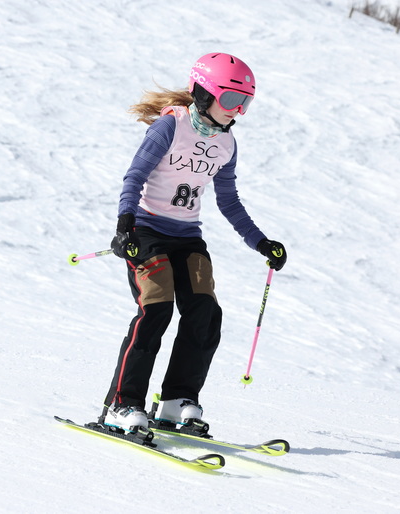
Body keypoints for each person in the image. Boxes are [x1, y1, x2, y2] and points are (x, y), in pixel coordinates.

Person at [101, 52, 287, 434]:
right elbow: (134, 177)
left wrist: (261, 242)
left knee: (204, 312)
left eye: (246, 102)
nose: (238, 110)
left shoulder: (227, 143)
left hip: (187, 237)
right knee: (156, 309)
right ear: (204, 93)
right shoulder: (170, 127)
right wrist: (125, 225)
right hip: (147, 232)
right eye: (232, 99)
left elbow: (229, 202)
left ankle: (176, 401)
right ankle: (122, 404)